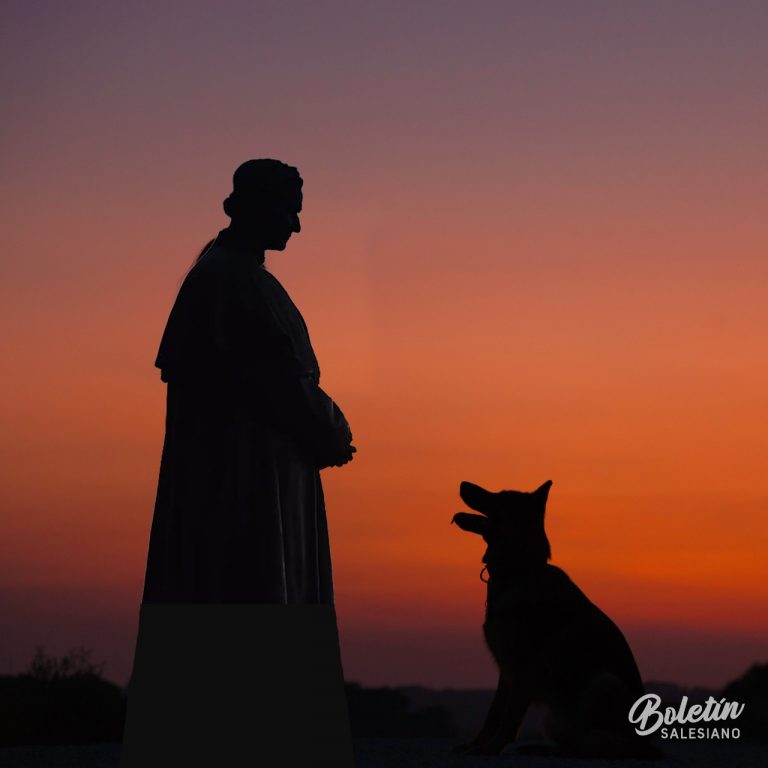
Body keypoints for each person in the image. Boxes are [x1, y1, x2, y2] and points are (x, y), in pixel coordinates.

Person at [141, 158, 355, 604]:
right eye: (289, 211)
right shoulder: (231, 281)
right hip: (242, 487)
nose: (296, 227)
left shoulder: (238, 278)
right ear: (257, 207)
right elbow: (278, 382)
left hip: (256, 479)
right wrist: (331, 430)